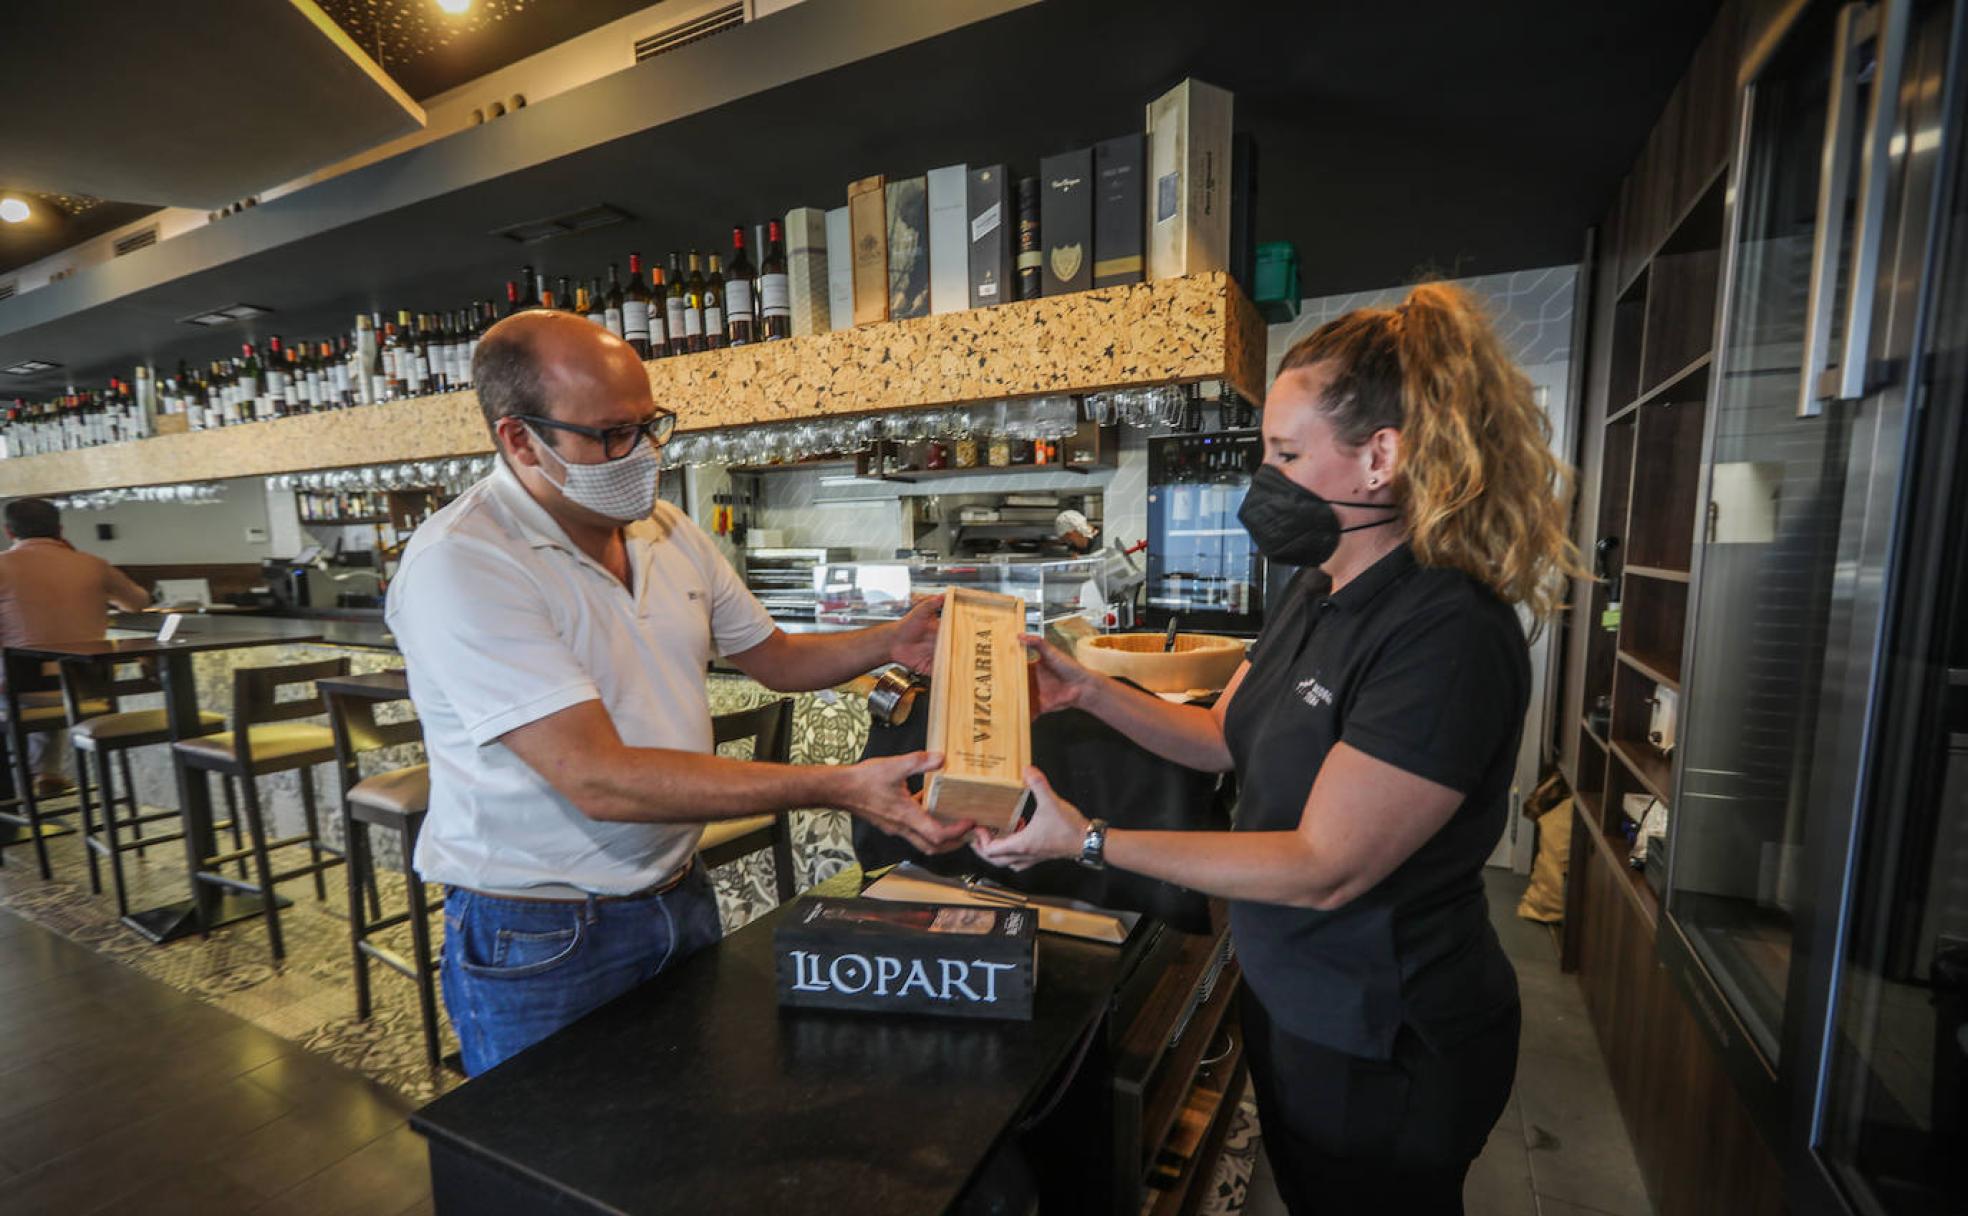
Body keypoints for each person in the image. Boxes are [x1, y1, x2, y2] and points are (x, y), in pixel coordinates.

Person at [976, 283, 1582, 1213]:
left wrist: (1087, 840)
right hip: (1295, 995)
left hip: (1386, 1033)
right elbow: (1223, 737)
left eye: (1288, 454)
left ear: (1382, 457)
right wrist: (1089, 690)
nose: (1266, 480)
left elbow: (1325, 866)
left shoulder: (1446, 632)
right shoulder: (1318, 586)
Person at [386, 310, 970, 1076]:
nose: (643, 454)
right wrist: (837, 786)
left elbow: (776, 657)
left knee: (675, 1137)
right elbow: (598, 777)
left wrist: (890, 640)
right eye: (610, 434)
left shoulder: (664, 529)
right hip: (541, 930)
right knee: (559, 1171)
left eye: (650, 424)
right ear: (519, 438)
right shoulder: (464, 563)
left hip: (679, 890)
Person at [0, 497, 152, 797]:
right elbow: (139, 602)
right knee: (48, 683)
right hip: (88, 690)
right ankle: (45, 771)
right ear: (60, 529)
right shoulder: (92, 564)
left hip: (20, 693)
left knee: (21, 684)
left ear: (9, 532)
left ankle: (22, 790)